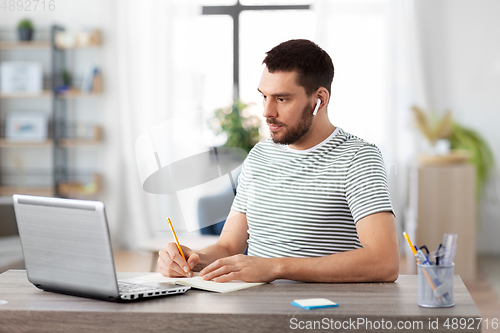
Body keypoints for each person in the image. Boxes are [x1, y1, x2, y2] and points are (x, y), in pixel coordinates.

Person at [158, 39, 399, 283]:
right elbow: (230, 246)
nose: (267, 112)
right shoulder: (260, 156)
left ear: (320, 100)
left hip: (320, 312)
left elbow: (384, 262)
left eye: (281, 99)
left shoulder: (358, 158)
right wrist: (193, 258)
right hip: (256, 309)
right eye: (264, 96)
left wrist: (276, 268)